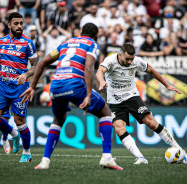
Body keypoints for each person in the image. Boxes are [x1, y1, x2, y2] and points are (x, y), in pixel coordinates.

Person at [20, 23, 123, 170]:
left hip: (55, 86)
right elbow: (88, 67)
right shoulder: (92, 44)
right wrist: (88, 94)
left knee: (58, 119)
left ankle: (45, 161)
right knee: (105, 112)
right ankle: (107, 157)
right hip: (74, 84)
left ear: (81, 32)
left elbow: (42, 62)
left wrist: (32, 86)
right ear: (96, 35)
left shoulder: (66, 43)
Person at [96, 44, 187, 164]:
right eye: (127, 59)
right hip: (115, 101)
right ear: (120, 55)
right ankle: (140, 158)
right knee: (119, 129)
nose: (130, 62)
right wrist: (102, 81)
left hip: (132, 97)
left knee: (151, 123)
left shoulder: (137, 61)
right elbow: (100, 71)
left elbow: (151, 70)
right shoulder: (110, 60)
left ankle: (181, 151)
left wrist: (166, 85)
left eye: (132, 59)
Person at [0, 12, 38, 162]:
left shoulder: (28, 43)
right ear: (9, 25)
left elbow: (36, 66)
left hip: (19, 87)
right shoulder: (1, 42)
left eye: (21, 23)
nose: (19, 26)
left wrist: (26, 74)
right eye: (16, 23)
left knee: (20, 121)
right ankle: (14, 135)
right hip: (3, 85)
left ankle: (27, 153)